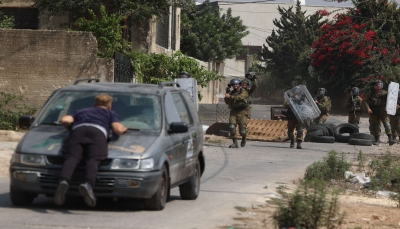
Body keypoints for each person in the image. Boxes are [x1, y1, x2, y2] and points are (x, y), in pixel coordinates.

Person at [54, 93, 128, 207]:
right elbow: (117, 130)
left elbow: (64, 120)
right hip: (97, 133)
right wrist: (123, 128)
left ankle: (64, 181)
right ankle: (88, 184)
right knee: (93, 159)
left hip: (78, 131)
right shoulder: (110, 113)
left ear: (95, 104)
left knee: (72, 157)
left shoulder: (82, 111)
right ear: (109, 106)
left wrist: (71, 128)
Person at [363, 80, 395, 146]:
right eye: (377, 84)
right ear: (375, 86)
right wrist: (368, 108)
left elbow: (392, 99)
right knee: (376, 125)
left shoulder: (385, 93)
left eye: (380, 84)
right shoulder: (371, 93)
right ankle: (377, 139)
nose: (378, 86)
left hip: (383, 111)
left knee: (387, 124)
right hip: (374, 111)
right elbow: (365, 101)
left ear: (382, 85)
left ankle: (390, 139)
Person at [224, 78, 249, 148]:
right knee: (231, 127)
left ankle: (244, 138)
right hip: (234, 111)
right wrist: (227, 94)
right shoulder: (231, 93)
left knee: (242, 131)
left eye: (236, 84)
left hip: (242, 111)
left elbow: (240, 97)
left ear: (239, 85)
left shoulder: (243, 91)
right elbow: (226, 102)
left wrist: (231, 96)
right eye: (233, 85)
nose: (235, 86)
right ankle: (235, 143)